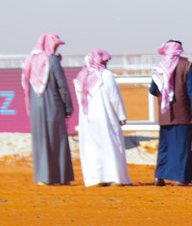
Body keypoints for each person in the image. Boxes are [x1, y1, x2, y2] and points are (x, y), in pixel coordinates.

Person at [150, 40, 192, 186]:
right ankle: (181, 179)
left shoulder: (159, 67)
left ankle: (159, 177)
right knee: (183, 146)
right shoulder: (186, 65)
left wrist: (165, 95)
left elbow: (152, 89)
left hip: (166, 114)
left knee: (166, 146)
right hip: (183, 113)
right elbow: (191, 89)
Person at [21, 32, 74, 186]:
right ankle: (60, 177)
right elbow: (62, 86)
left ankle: (42, 177)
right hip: (53, 105)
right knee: (57, 139)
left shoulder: (29, 60)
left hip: (35, 107)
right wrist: (68, 107)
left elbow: (25, 85)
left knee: (40, 140)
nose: (57, 48)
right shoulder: (52, 61)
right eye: (56, 45)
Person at [74, 49, 131, 187]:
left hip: (88, 119)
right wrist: (122, 115)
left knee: (92, 148)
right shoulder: (106, 75)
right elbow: (114, 97)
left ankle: (95, 179)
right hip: (106, 117)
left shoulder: (81, 77)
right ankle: (117, 178)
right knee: (112, 145)